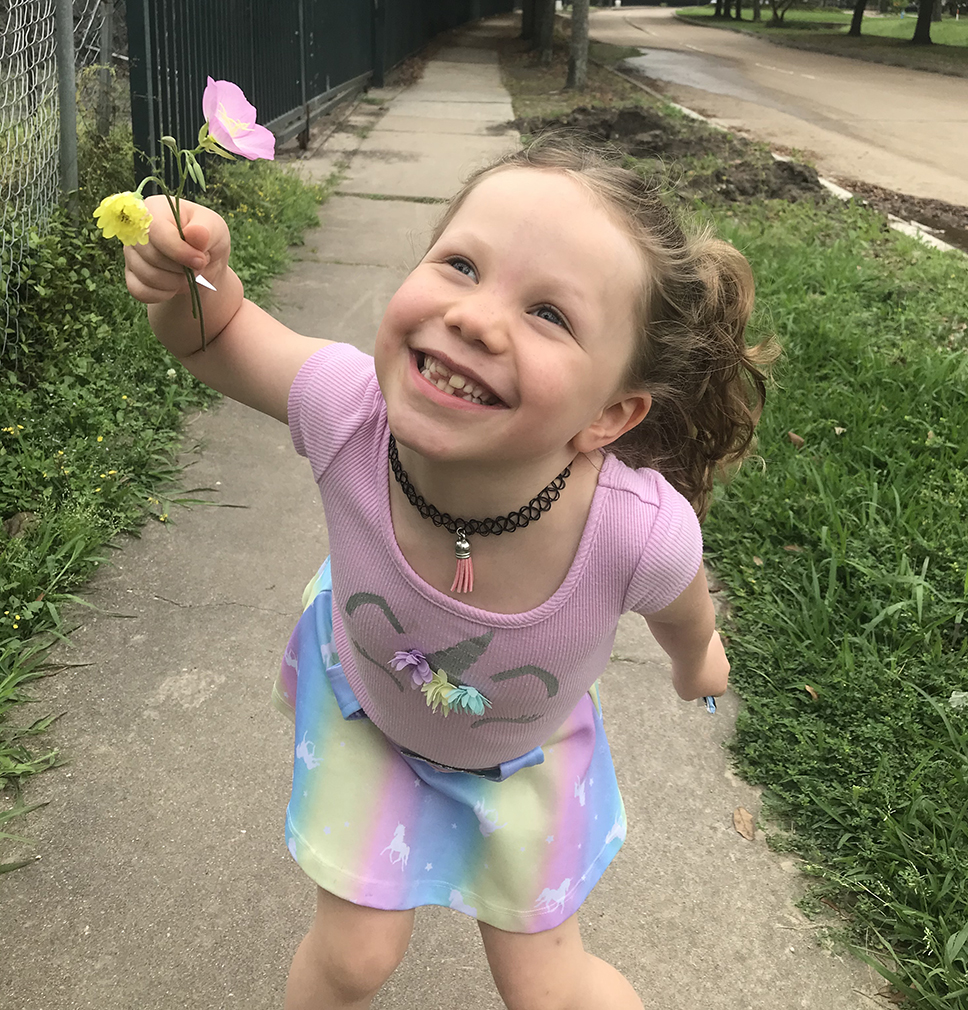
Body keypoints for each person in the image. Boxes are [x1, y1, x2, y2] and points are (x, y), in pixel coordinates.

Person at [122, 135, 774, 1010]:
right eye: (461, 264)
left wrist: (698, 662)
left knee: (548, 987)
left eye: (550, 314)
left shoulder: (636, 533)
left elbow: (686, 614)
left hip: (522, 756)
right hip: (370, 711)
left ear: (610, 414)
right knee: (353, 958)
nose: (474, 315)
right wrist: (191, 285)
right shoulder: (346, 410)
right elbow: (224, 336)